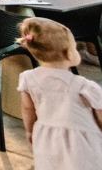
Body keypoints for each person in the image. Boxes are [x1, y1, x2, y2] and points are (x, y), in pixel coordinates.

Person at [16, 17, 102, 168]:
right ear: (69, 54)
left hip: (46, 139)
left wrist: (30, 131)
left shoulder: (28, 79)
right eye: (75, 48)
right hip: (81, 144)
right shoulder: (85, 86)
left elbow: (28, 109)